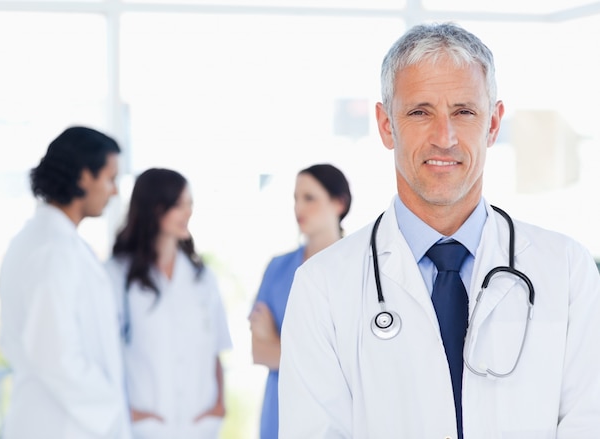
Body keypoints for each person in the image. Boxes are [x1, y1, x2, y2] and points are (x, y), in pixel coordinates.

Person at [278, 22, 600, 439]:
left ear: (493, 123)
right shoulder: (321, 286)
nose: (444, 137)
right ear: (386, 125)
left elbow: (588, 421)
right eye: (419, 112)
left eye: (464, 111)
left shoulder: (567, 271)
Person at [0, 126, 131, 438]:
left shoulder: (56, 242)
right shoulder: (51, 250)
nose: (114, 191)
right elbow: (54, 356)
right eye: (110, 179)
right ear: (85, 176)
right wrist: (112, 407)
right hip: (59, 424)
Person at [105, 167, 232, 439]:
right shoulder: (116, 275)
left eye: (190, 204)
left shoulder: (202, 277)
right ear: (154, 208)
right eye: (178, 205)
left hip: (200, 425)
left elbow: (216, 349)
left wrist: (219, 406)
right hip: (144, 426)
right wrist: (126, 410)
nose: (188, 213)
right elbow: (104, 353)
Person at [249, 163, 352, 439]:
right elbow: (259, 351)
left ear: (339, 203)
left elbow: (352, 364)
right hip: (279, 415)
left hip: (339, 417)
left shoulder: (360, 267)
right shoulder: (278, 268)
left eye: (309, 198)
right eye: (295, 198)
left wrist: (275, 340)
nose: (298, 208)